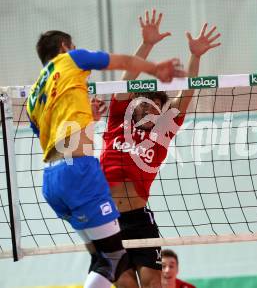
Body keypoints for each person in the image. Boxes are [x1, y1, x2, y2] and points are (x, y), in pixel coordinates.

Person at [26, 30, 183, 288]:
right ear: (65, 46)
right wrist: (155, 68)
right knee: (111, 259)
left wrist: (88, 117)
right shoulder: (70, 60)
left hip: (52, 180)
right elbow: (123, 63)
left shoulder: (35, 94)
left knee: (108, 260)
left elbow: (50, 133)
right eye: (74, 45)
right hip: (78, 172)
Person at [99, 9, 220, 288]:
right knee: (126, 286)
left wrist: (196, 56)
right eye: (142, 100)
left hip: (139, 219)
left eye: (154, 102)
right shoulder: (118, 119)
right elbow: (127, 78)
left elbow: (187, 92)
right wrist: (148, 44)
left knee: (154, 285)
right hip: (108, 219)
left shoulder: (162, 133)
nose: (146, 105)